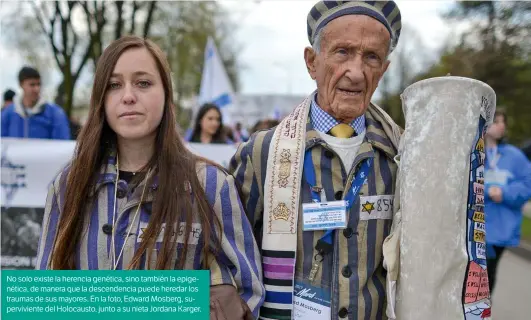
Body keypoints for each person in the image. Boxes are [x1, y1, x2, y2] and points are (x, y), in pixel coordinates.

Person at [35, 36, 264, 318]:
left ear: (166, 93)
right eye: (114, 85)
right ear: (101, 99)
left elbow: (247, 294)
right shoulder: (68, 186)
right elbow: (44, 298)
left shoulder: (211, 185)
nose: (128, 96)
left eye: (143, 83)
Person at [230, 1, 402, 319]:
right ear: (312, 62)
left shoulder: (402, 158)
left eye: (371, 57)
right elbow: (228, 257)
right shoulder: (261, 154)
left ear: (384, 70)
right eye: (342, 52)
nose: (356, 71)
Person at [485, 109, 531, 293]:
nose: (501, 125)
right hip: (471, 227)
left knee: (487, 276)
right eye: (496, 121)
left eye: (503, 121)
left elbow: (527, 185)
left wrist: (504, 192)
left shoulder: (515, 156)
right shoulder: (471, 153)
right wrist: (488, 190)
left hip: (500, 230)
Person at [1, 67, 70, 139]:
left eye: (39, 84)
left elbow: (62, 144)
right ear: (21, 85)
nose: (37, 89)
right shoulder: (7, 114)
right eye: (32, 85)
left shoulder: (55, 113)